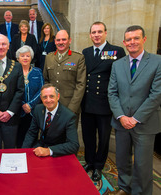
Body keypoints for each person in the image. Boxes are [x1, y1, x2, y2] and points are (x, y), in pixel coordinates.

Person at [108, 25, 161, 195]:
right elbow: (112, 92)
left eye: (136, 38)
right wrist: (122, 116)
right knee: (122, 160)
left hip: (144, 123)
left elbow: (156, 94)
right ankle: (125, 187)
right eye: (129, 39)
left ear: (144, 39)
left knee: (143, 164)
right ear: (124, 42)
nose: (132, 42)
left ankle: (141, 192)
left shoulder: (157, 62)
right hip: (121, 122)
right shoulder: (117, 65)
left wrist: (135, 118)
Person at [81, 22, 126, 182]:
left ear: (106, 33)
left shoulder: (116, 51)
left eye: (99, 32)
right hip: (87, 102)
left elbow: (121, 77)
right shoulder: (85, 52)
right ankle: (90, 161)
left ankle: (99, 165)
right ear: (90, 35)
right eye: (93, 32)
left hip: (105, 103)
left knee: (104, 137)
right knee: (88, 136)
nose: (96, 35)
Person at [22, 84, 79, 157]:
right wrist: (23, 151)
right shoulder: (38, 109)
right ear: (41, 98)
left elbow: (73, 145)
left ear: (58, 96)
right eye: (45, 97)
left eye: (51, 96)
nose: (48, 100)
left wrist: (49, 150)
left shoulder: (69, 116)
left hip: (58, 151)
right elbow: (32, 133)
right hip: (41, 146)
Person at [43, 30, 86, 117]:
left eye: (64, 40)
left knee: (69, 130)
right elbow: (46, 80)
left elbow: (81, 85)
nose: (61, 42)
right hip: (52, 106)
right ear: (55, 41)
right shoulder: (49, 57)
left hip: (70, 106)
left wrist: (72, 108)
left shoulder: (78, 58)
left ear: (69, 41)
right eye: (58, 40)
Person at [16, 45, 44, 148]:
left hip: (33, 111)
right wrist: (23, 104)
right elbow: (13, 91)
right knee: (19, 138)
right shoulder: (14, 72)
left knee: (32, 138)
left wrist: (30, 105)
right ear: (18, 58)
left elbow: (41, 90)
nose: (25, 58)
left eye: (27, 56)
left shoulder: (37, 71)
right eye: (22, 56)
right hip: (19, 111)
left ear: (31, 57)